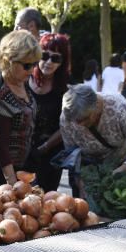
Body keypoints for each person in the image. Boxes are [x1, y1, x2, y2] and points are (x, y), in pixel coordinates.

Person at [59, 84, 126, 194]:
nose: (80, 125)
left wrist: (123, 169)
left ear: (96, 105)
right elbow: (71, 153)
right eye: (76, 121)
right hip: (87, 168)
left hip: (119, 163)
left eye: (84, 119)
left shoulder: (119, 107)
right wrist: (79, 181)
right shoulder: (67, 116)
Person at [0, 30, 42, 186]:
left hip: (24, 169)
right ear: (9, 60)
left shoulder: (22, 81)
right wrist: (12, 182)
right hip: (2, 176)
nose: (31, 70)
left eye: (34, 64)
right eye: (27, 65)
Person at [28, 33, 71, 192]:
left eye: (56, 58)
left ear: (62, 62)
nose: (48, 62)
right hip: (21, 152)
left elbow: (66, 126)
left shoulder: (65, 90)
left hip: (50, 155)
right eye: (45, 55)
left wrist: (44, 147)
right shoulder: (24, 80)